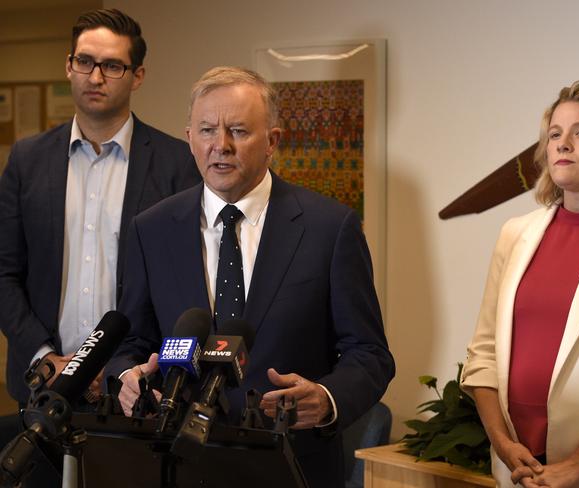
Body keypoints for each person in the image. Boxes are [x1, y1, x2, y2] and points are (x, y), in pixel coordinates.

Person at [106, 66, 395, 488]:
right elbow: (132, 342)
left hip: (293, 464)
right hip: (178, 465)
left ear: (272, 142)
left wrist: (327, 398)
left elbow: (370, 354)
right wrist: (127, 378)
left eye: (238, 131)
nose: (220, 146)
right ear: (189, 139)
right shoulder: (151, 228)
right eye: (206, 130)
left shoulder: (330, 228)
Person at [0, 7, 200, 406]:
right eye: (85, 61)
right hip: (44, 382)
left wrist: (121, 368)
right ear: (69, 66)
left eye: (112, 65)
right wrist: (46, 357)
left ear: (137, 75)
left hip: (135, 387)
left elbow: (185, 286)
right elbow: (4, 272)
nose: (95, 76)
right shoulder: (27, 160)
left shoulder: (178, 163)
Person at [461, 80, 579, 487]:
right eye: (555, 134)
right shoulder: (516, 233)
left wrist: (577, 465)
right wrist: (502, 445)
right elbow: (483, 356)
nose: (563, 144)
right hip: (519, 466)